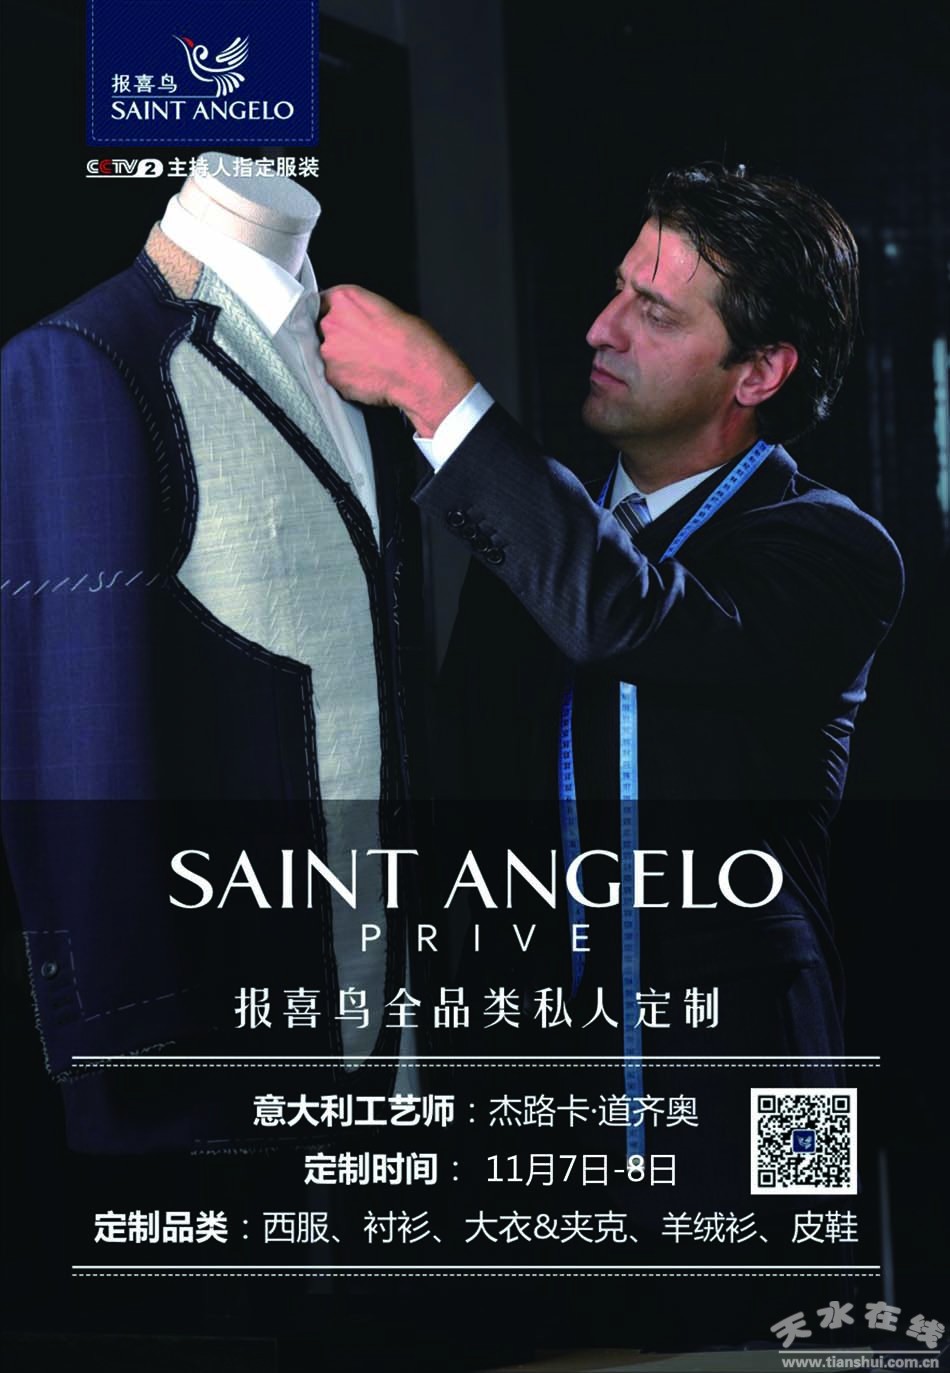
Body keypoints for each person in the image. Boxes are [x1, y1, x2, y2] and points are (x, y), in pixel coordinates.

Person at [317, 166, 905, 1341]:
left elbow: (625, 616)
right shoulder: (528, 549)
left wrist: (437, 390)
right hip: (542, 1084)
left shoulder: (831, 551)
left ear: (757, 372)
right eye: (617, 288)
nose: (601, 327)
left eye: (655, 310)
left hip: (760, 1084)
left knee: (787, 1347)